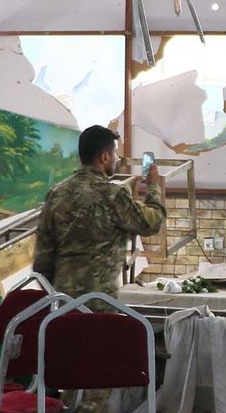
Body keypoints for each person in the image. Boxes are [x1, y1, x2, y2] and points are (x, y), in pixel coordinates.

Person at [32, 125, 166, 297]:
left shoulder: (57, 194)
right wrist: (153, 186)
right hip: (100, 304)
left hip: (62, 305)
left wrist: (54, 295)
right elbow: (152, 223)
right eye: (115, 154)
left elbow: (42, 259)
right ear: (104, 157)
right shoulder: (112, 195)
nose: (117, 159)